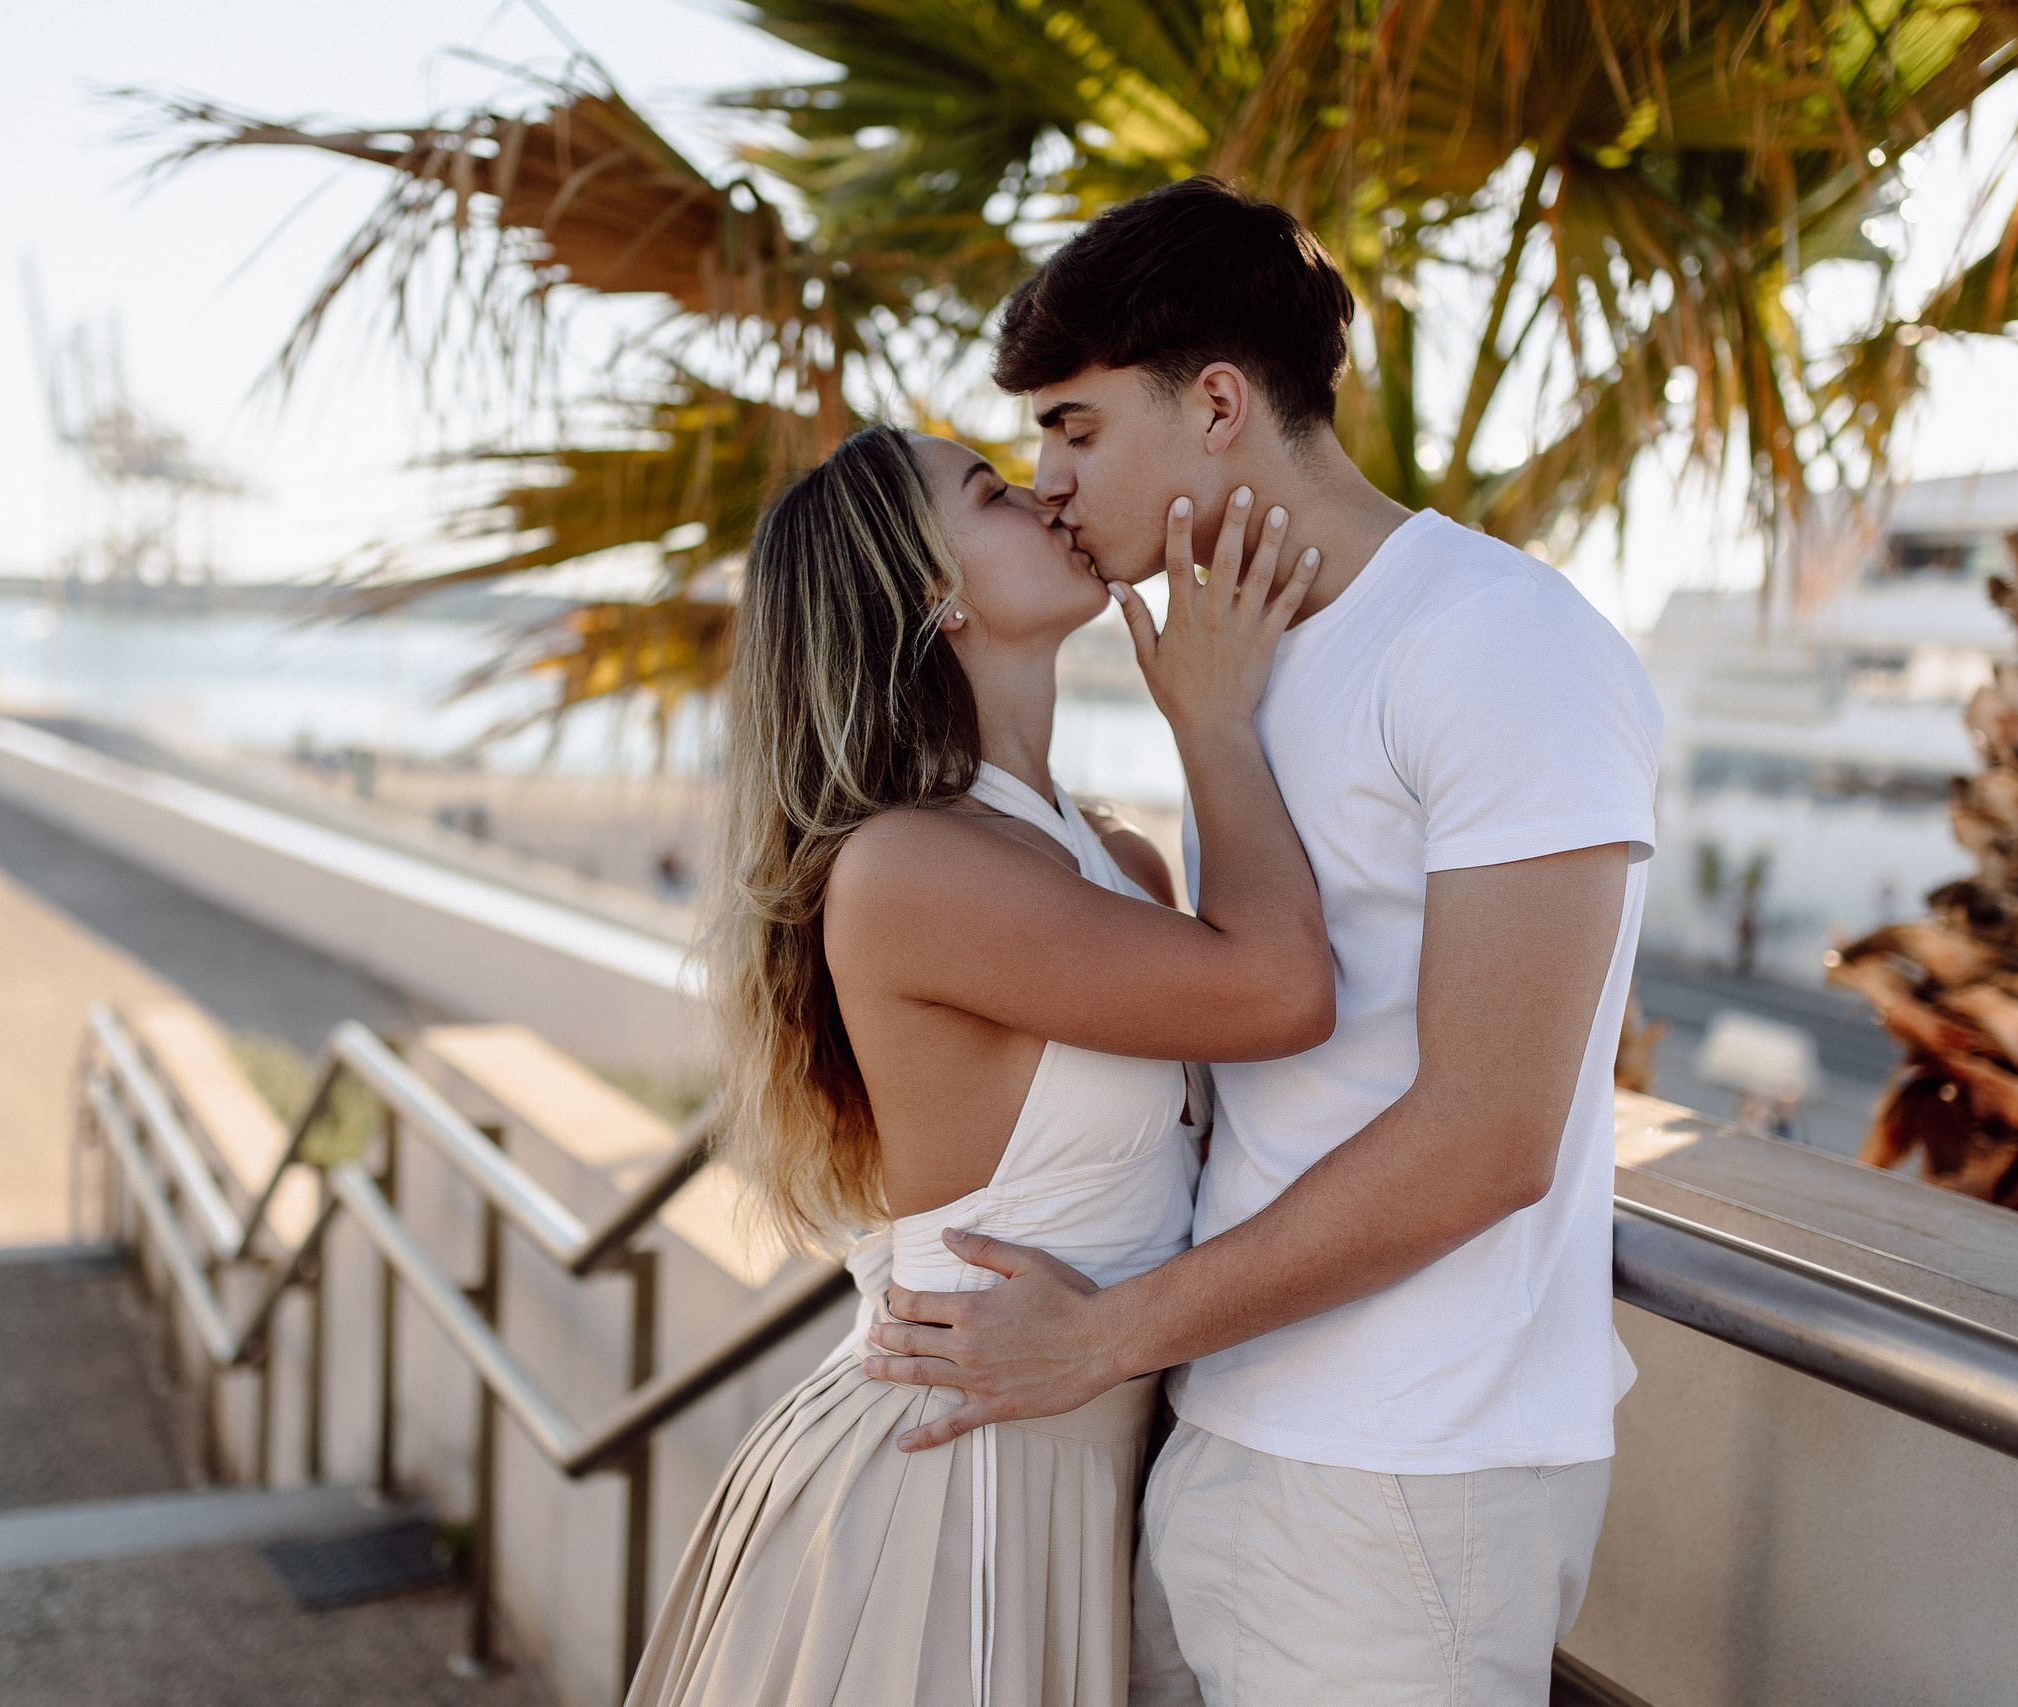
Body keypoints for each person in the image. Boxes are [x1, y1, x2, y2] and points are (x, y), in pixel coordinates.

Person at [861, 178, 1664, 1706]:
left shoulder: (1500, 643)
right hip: (1223, 1431)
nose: (1045, 481)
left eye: (1076, 429)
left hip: (1403, 1471)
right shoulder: (1249, 654)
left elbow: (1497, 1129)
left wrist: (1101, 1335)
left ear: (1217, 401)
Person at [626, 423, 1333, 1706]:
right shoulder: (909, 867)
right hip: (949, 1493)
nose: (1051, 490)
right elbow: (1282, 989)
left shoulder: (1116, 864)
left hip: (1090, 1472)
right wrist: (1214, 723)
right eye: (993, 491)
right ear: (929, 594)